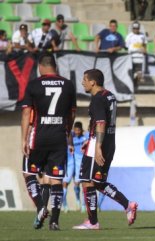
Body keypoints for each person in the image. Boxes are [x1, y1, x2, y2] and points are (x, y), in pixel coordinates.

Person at [73, 69, 138, 230]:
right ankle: (128, 204)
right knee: (98, 182)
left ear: (93, 82)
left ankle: (93, 222)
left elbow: (100, 123)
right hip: (108, 142)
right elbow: (98, 122)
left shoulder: (97, 99)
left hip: (100, 143)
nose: (83, 83)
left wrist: (96, 146)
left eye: (85, 80)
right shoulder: (110, 96)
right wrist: (90, 140)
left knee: (87, 182)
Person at [21, 52, 76, 230]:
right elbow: (72, 113)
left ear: (40, 66)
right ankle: (54, 221)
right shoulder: (68, 85)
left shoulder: (34, 85)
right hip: (59, 137)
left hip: (38, 136)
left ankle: (41, 207)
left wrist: (23, 138)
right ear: (55, 65)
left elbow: (26, 113)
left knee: (28, 173)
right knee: (56, 179)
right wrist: (67, 131)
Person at [62, 121, 88, 213]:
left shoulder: (85, 137)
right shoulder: (70, 136)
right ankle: (64, 206)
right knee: (64, 183)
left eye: (78, 130)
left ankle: (81, 203)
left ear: (81, 130)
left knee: (78, 184)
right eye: (75, 130)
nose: (77, 132)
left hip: (79, 163)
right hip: (69, 162)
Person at [126, 21, 147, 86]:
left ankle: (135, 85)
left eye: (137, 28)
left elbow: (144, 44)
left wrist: (144, 50)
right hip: (132, 57)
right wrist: (134, 50)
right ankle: (133, 86)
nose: (136, 30)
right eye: (134, 28)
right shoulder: (129, 36)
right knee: (133, 73)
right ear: (132, 28)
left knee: (139, 73)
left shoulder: (142, 35)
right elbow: (127, 46)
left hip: (140, 57)